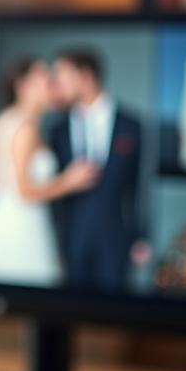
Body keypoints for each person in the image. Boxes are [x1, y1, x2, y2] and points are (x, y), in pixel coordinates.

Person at [0, 59, 97, 286]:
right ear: (23, 85)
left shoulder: (5, 119)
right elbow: (23, 190)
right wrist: (69, 181)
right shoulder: (25, 127)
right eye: (45, 78)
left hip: (2, 216)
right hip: (20, 226)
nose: (52, 84)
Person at [48, 50, 146, 292]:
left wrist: (141, 236)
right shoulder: (56, 130)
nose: (55, 87)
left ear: (85, 77)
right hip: (71, 237)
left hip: (115, 237)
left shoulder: (131, 125)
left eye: (61, 78)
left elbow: (140, 185)